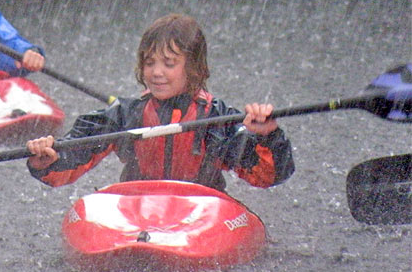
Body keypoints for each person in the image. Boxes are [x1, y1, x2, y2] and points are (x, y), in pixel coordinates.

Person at [27, 13, 294, 191]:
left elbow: (269, 176)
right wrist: (46, 160)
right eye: (149, 62)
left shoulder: (217, 118)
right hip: (138, 210)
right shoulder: (125, 114)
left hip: (200, 211)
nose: (156, 72)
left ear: (193, 68)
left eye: (169, 64)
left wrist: (267, 136)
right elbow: (72, 160)